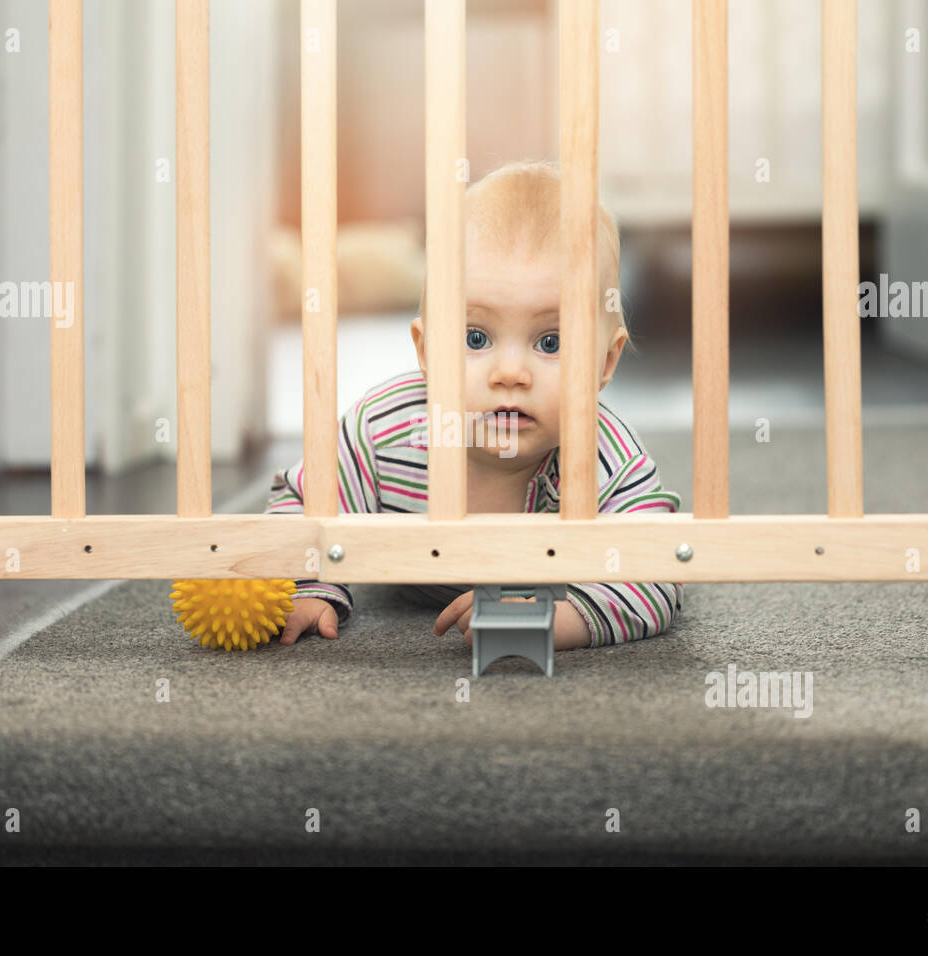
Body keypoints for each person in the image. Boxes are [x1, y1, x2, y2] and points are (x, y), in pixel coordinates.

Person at [266, 159, 684, 650]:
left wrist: (563, 617)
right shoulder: (383, 431)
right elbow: (301, 504)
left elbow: (660, 570)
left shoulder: (607, 458)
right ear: (426, 352)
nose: (510, 373)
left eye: (550, 343)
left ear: (605, 363)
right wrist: (313, 586)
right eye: (476, 337)